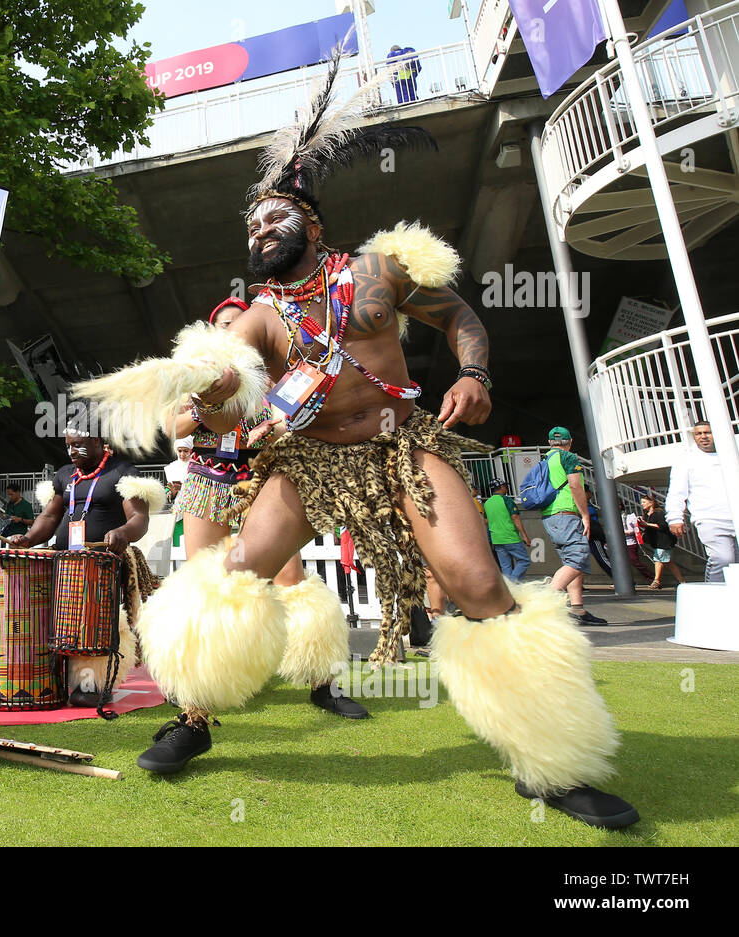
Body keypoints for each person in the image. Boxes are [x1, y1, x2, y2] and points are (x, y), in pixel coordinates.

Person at [74, 56, 637, 828]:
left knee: (476, 583)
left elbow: (464, 317)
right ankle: (193, 719)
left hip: (402, 445)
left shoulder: (377, 273)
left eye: (273, 219)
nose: (259, 231)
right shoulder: (257, 320)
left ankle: (551, 762)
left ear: (313, 225)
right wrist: (201, 402)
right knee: (234, 573)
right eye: (250, 225)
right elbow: (224, 401)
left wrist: (475, 373)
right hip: (308, 464)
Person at [170, 296, 367, 719]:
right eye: (224, 325)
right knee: (204, 586)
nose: (233, 331)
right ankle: (195, 699)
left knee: (290, 580)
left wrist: (276, 425)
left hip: (263, 480)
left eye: (241, 324)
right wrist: (211, 405)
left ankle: (322, 683)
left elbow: (300, 415)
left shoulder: (278, 373)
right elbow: (174, 425)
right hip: (208, 481)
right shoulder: (196, 374)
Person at [9, 425, 165, 709]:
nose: (71, 451)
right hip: (63, 562)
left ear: (97, 441)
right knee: (47, 615)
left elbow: (139, 518)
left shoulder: (122, 471)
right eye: (68, 445)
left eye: (78, 444)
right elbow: (49, 516)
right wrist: (28, 539)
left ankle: (92, 683)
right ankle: (43, 673)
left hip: (100, 566)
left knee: (93, 622)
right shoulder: (65, 474)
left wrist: (123, 533)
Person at [538, 428, 606, 625]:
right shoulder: (568, 457)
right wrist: (585, 514)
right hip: (566, 514)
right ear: (570, 441)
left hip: (550, 515)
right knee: (579, 557)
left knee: (571, 561)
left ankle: (577, 609)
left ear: (550, 442)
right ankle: (541, 604)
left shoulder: (545, 459)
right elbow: (576, 487)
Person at [667, 420, 737, 582]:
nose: (703, 437)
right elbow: (677, 492)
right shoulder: (686, 460)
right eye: (699, 434)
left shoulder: (732, 453)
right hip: (711, 520)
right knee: (723, 559)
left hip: (735, 516)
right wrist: (675, 518)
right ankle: (713, 598)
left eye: (707, 432)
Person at [483, 477, 530, 581]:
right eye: (505, 486)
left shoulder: (487, 503)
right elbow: (515, 517)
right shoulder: (507, 500)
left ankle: (509, 590)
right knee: (524, 561)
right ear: (501, 487)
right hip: (510, 537)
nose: (506, 488)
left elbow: (485, 521)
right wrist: (524, 536)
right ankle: (512, 584)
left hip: (497, 539)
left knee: (506, 567)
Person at [639, 494, 685, 589]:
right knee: (667, 561)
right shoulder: (647, 514)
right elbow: (650, 526)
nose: (642, 504)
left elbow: (662, 526)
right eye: (642, 502)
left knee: (658, 559)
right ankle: (682, 581)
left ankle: (656, 581)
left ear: (651, 503)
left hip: (664, 540)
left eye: (644, 502)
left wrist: (647, 524)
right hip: (657, 540)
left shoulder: (658, 513)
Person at [619, 508, 654, 582]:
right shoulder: (611, 518)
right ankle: (622, 581)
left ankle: (652, 578)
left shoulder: (627, 517)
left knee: (634, 561)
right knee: (620, 563)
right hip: (618, 543)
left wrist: (621, 532)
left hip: (630, 543)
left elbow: (633, 530)